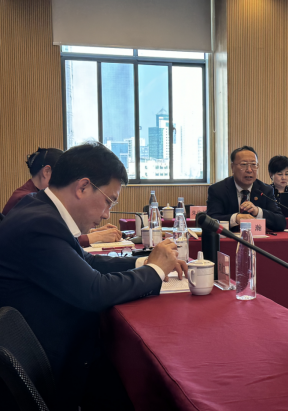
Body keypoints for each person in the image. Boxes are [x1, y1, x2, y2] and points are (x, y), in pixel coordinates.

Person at [0, 142, 188, 410]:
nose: (106, 213)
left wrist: (144, 261)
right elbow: (94, 291)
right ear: (83, 187)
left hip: (61, 346)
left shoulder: (39, 207)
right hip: (55, 365)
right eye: (109, 201)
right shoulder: (39, 223)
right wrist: (155, 271)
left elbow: (86, 261)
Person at [2, 147, 122, 247]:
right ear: (46, 172)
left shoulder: (35, 199)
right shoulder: (29, 203)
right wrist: (94, 236)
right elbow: (50, 240)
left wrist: (93, 231)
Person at [206, 146, 286, 232]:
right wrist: (235, 218)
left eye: (253, 165)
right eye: (244, 164)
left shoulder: (265, 190)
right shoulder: (218, 190)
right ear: (232, 167)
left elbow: (281, 222)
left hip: (257, 239)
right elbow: (210, 220)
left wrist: (258, 212)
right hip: (229, 239)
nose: (249, 170)